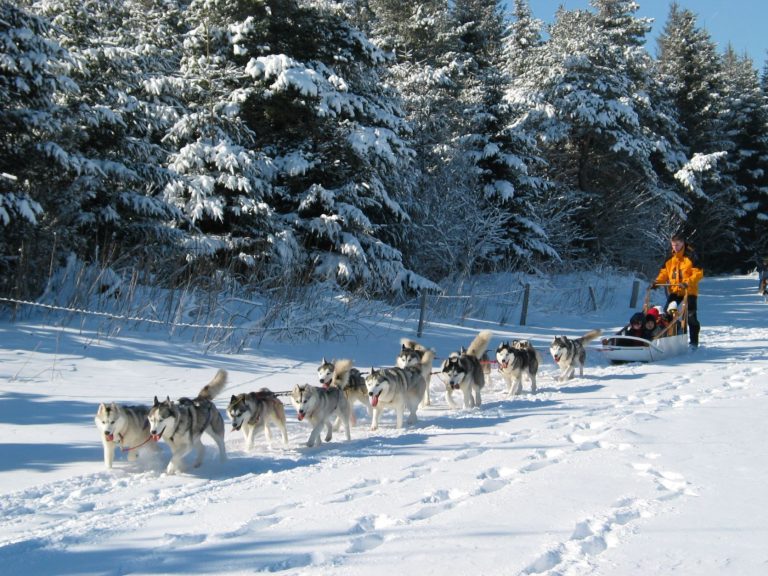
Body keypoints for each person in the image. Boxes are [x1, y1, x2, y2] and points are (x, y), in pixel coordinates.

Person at [652, 233, 704, 348]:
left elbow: (698, 273)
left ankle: (694, 342)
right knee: (668, 312)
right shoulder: (670, 256)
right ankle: (674, 335)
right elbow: (664, 272)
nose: (675, 247)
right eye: (673, 245)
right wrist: (657, 282)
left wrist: (687, 282)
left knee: (691, 316)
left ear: (683, 243)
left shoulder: (691, 255)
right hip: (675, 290)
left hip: (689, 290)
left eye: (677, 245)